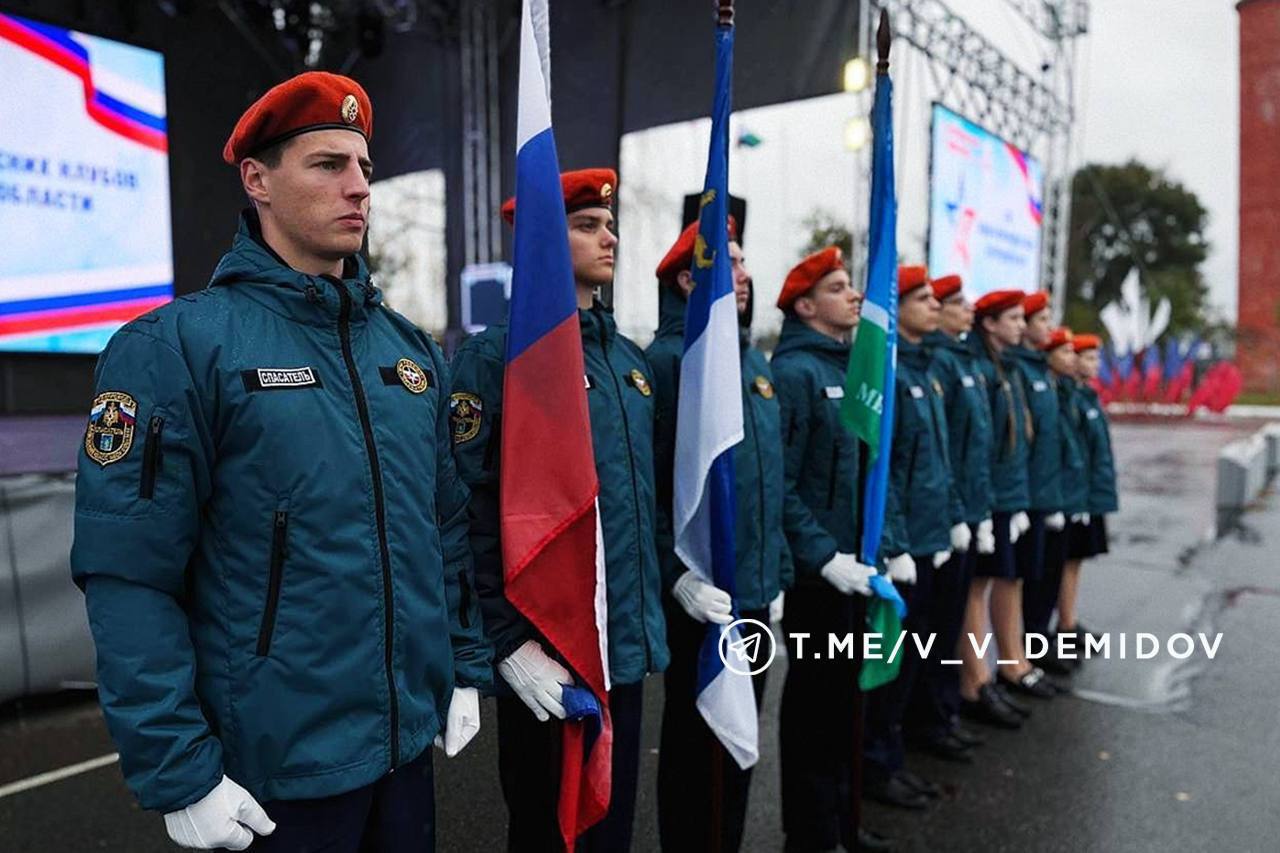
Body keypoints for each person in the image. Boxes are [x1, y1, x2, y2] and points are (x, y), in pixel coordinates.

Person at [71, 72, 490, 853]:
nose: (358, 186)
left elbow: (444, 528)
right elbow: (130, 575)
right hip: (272, 779)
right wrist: (178, 769)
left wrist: (462, 661)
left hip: (404, 756)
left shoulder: (410, 355)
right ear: (257, 180)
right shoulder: (177, 349)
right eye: (328, 164)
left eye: (363, 167)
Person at [450, 168, 668, 852]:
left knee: (612, 824)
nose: (610, 237)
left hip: (618, 641)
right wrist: (507, 643)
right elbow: (466, 508)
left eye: (609, 224)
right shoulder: (498, 357)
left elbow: (640, 503)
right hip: (548, 644)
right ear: (543, 238)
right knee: (548, 831)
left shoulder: (628, 362)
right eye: (586, 225)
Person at [647, 219, 791, 852]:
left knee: (738, 739)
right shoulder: (670, 362)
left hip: (751, 588)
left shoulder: (752, 362)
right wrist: (676, 575)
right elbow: (647, 488)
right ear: (689, 279)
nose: (744, 273)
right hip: (700, 592)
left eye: (743, 260)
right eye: (729, 262)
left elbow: (770, 481)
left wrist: (776, 567)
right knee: (693, 744)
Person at [770, 246, 888, 853]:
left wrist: (879, 547)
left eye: (850, 284)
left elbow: (868, 474)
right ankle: (812, 835)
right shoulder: (795, 375)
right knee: (815, 710)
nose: (854, 295)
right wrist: (821, 556)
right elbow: (781, 483)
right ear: (806, 306)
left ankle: (842, 823)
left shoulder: (850, 370)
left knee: (846, 705)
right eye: (838, 288)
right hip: (819, 579)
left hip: (855, 570)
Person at [863, 266, 961, 808]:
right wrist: (896, 544)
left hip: (929, 535)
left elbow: (936, 462)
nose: (934, 306)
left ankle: (893, 755)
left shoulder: (924, 370)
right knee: (892, 663)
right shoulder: (893, 373)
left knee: (919, 654)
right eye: (922, 298)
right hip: (906, 544)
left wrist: (950, 520)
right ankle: (877, 764)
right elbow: (886, 470)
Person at [907, 273, 993, 757]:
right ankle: (928, 720)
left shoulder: (955, 362)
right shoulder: (936, 363)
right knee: (927, 631)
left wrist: (971, 512)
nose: (961, 310)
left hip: (955, 511)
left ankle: (943, 713)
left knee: (944, 625)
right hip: (930, 519)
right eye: (947, 302)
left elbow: (963, 449)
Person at [958, 289, 1035, 729]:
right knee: (976, 587)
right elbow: (979, 447)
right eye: (1013, 318)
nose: (1021, 326)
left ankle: (996, 670)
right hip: (986, 497)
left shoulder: (1001, 366)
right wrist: (987, 504)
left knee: (994, 581)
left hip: (1003, 495)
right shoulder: (981, 368)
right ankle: (977, 680)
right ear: (989, 324)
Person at [1004, 291, 1065, 699]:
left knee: (1036, 575)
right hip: (1022, 495)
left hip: (1042, 492)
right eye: (1040, 319)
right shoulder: (1019, 371)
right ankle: (1015, 660)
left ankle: (1032, 650)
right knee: (1014, 579)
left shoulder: (1038, 369)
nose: (1049, 326)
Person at [1030, 327, 1088, 674]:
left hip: (1061, 495)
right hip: (1036, 497)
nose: (1076, 359)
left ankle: (1049, 635)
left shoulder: (1063, 389)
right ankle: (1024, 652)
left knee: (1054, 571)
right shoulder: (1032, 380)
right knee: (1032, 579)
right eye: (1066, 352)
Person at [1060, 333, 1119, 649]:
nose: (1096, 364)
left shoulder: (1088, 396)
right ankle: (1063, 626)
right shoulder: (1072, 399)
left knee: (1076, 560)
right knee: (1066, 560)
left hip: (1089, 494)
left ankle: (1069, 621)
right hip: (1076, 496)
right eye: (1089, 358)